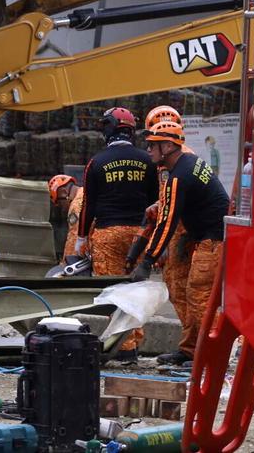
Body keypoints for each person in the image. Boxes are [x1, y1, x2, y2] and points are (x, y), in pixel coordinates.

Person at [132, 121, 229, 367]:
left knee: (200, 297)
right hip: (206, 236)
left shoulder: (179, 176)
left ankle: (213, 357)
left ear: (168, 146)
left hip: (214, 240)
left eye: (153, 146)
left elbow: (167, 223)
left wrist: (146, 261)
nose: (149, 151)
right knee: (190, 293)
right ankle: (190, 351)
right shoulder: (186, 164)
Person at [77, 107, 159, 364]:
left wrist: (80, 239)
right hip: (140, 234)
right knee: (135, 290)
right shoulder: (148, 161)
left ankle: (124, 349)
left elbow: (88, 205)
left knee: (114, 292)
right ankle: (133, 344)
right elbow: (156, 201)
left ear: (109, 128)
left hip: (108, 234)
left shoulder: (97, 161)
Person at [139, 105, 195, 361]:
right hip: (180, 232)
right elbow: (171, 200)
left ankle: (193, 349)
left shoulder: (178, 164)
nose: (149, 148)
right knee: (179, 290)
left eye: (153, 143)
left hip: (184, 234)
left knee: (186, 292)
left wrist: (150, 254)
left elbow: (176, 206)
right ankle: (191, 346)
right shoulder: (175, 161)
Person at [48, 174, 83, 262]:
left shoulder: (75, 206)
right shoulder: (85, 192)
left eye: (59, 202)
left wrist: (64, 264)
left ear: (64, 192)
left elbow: (74, 239)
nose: (62, 208)